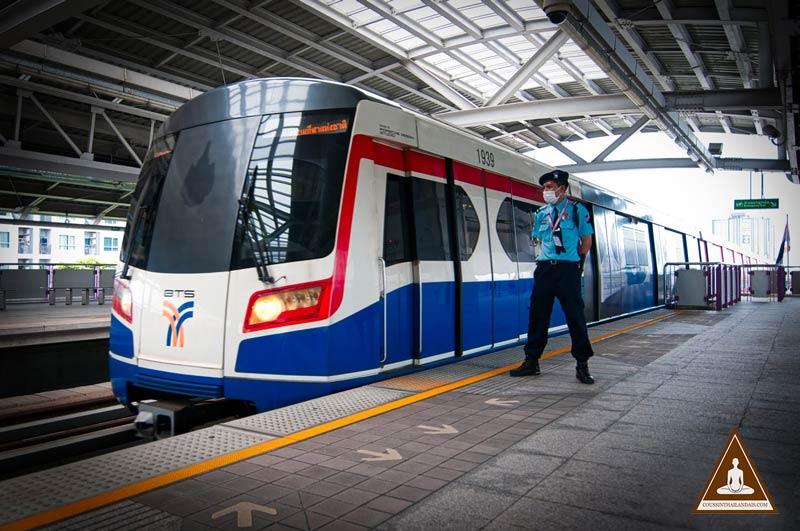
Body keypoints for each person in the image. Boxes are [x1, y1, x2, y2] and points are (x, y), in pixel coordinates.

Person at [510, 169, 595, 384]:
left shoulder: (577, 211)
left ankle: (582, 364)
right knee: (538, 315)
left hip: (568, 270)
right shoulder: (541, 213)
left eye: (550, 187)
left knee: (575, 317)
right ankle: (532, 361)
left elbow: (586, 241)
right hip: (545, 270)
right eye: (544, 187)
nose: (546, 191)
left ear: (562, 189)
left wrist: (578, 264)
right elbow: (538, 240)